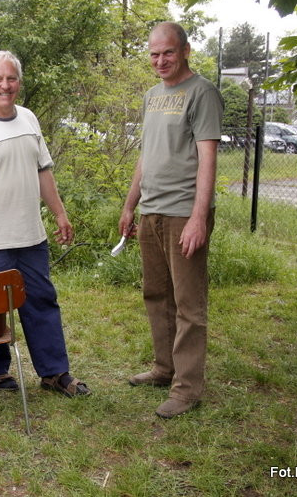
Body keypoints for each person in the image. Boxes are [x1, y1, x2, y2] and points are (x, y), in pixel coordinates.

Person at [0, 50, 90, 397]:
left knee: (42, 300)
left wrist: (59, 213)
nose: (5, 86)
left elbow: (44, 172)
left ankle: (54, 372)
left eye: (11, 79)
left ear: (18, 83)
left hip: (31, 236)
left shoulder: (28, 119)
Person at [118, 22, 223, 418]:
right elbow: (146, 155)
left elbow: (208, 158)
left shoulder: (203, 93)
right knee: (156, 295)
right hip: (152, 210)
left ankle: (187, 389)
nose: (160, 60)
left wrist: (199, 217)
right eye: (154, 54)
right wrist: (131, 205)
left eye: (168, 53)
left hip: (184, 213)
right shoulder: (152, 95)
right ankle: (165, 369)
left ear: (185, 51)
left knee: (188, 304)